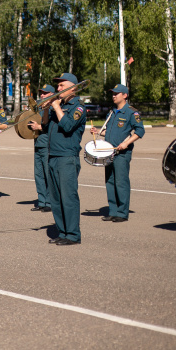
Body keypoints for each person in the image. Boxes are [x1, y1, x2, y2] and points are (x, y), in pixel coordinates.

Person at [40, 73, 86, 246]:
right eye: (57, 86)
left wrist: (57, 107)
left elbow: (67, 126)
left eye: (61, 86)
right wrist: (46, 108)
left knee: (68, 197)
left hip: (67, 157)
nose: (57, 89)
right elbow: (44, 125)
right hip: (53, 156)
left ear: (72, 88)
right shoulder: (56, 106)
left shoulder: (78, 108)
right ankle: (63, 232)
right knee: (56, 198)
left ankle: (73, 235)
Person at [89, 84, 145, 223]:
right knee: (110, 181)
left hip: (122, 153)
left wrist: (126, 143)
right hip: (109, 152)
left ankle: (122, 212)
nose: (114, 96)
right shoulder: (112, 112)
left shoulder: (131, 112)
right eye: (112, 93)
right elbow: (108, 131)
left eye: (116, 93)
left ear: (125, 95)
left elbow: (140, 131)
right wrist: (98, 132)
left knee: (121, 182)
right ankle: (113, 211)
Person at [27, 84, 55, 212]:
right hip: (37, 143)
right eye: (41, 93)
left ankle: (49, 202)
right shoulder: (38, 107)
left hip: (48, 144)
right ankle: (42, 201)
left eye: (45, 93)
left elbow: (55, 126)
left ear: (51, 94)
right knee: (38, 174)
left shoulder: (54, 108)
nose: (42, 95)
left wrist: (40, 127)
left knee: (47, 173)